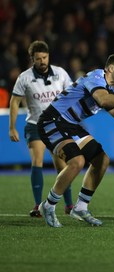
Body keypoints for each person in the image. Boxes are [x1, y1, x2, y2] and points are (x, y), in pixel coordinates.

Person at [37, 54, 114, 227]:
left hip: (70, 125)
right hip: (53, 121)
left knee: (101, 160)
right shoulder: (95, 77)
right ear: (110, 68)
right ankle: (48, 206)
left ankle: (81, 207)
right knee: (77, 161)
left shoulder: (111, 91)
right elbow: (103, 100)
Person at [8, 40, 74, 217]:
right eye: (38, 59)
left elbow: (72, 95)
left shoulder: (60, 74)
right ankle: (38, 205)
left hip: (56, 125)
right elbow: (14, 101)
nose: (42, 61)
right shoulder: (25, 77)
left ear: (48, 56)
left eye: (44, 57)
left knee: (63, 166)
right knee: (37, 161)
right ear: (32, 59)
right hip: (35, 125)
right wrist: (12, 127)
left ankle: (69, 205)